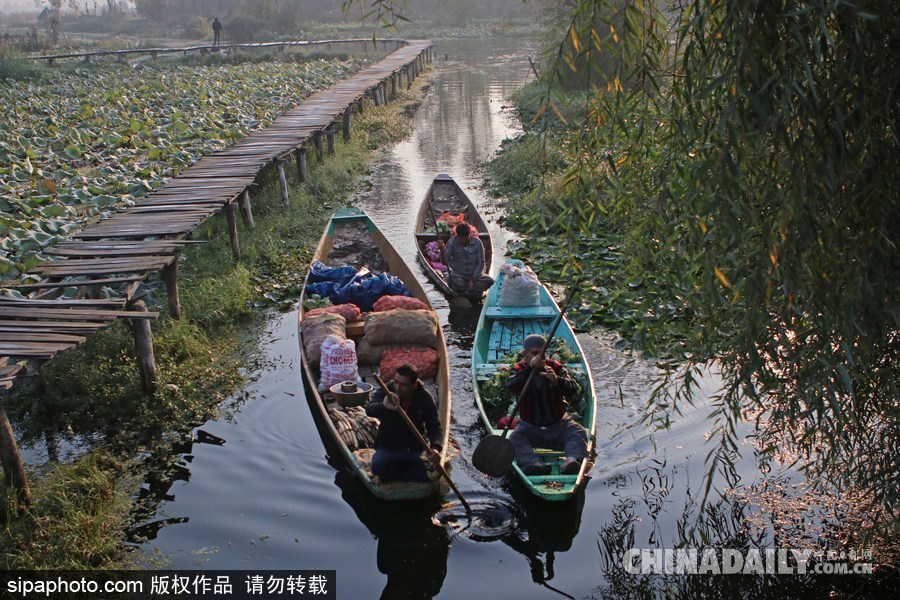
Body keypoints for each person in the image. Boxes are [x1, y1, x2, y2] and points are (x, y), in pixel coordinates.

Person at [506, 334, 587, 476]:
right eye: (535, 354)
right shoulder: (519, 369)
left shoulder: (555, 367)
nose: (539, 358)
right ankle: (533, 464)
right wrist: (529, 370)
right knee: (514, 438)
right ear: (525, 354)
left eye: (542, 353)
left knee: (578, 432)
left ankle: (571, 461)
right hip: (529, 426)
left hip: (559, 424)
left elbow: (572, 389)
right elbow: (510, 386)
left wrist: (557, 381)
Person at [365, 364, 443, 482]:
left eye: (403, 385)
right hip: (388, 449)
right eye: (396, 382)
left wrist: (435, 448)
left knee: (431, 474)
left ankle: (395, 475)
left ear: (414, 385)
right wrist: (384, 406)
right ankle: (400, 474)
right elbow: (369, 408)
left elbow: (434, 427)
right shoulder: (387, 391)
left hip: (414, 451)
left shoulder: (424, 397)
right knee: (379, 466)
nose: (397, 387)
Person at [443, 222, 494, 295]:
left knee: (490, 281)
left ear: (469, 235)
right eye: (461, 239)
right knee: (451, 280)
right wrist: (442, 251)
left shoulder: (477, 243)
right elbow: (444, 262)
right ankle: (467, 290)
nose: (463, 241)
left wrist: (472, 280)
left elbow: (481, 263)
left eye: (465, 239)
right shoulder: (452, 242)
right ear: (457, 236)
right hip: (458, 275)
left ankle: (468, 289)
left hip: (475, 275)